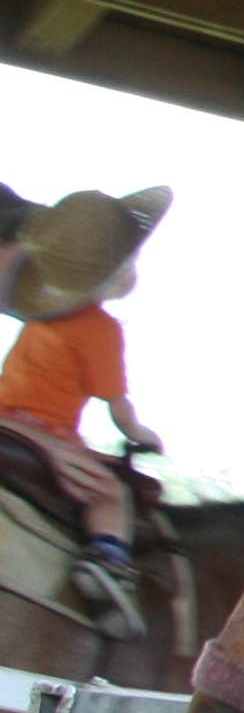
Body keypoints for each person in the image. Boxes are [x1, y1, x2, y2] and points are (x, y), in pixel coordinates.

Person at [0, 184, 172, 638]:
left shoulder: (42, 322)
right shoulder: (99, 329)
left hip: (14, 420)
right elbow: (117, 405)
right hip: (42, 429)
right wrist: (139, 435)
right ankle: (106, 561)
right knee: (108, 493)